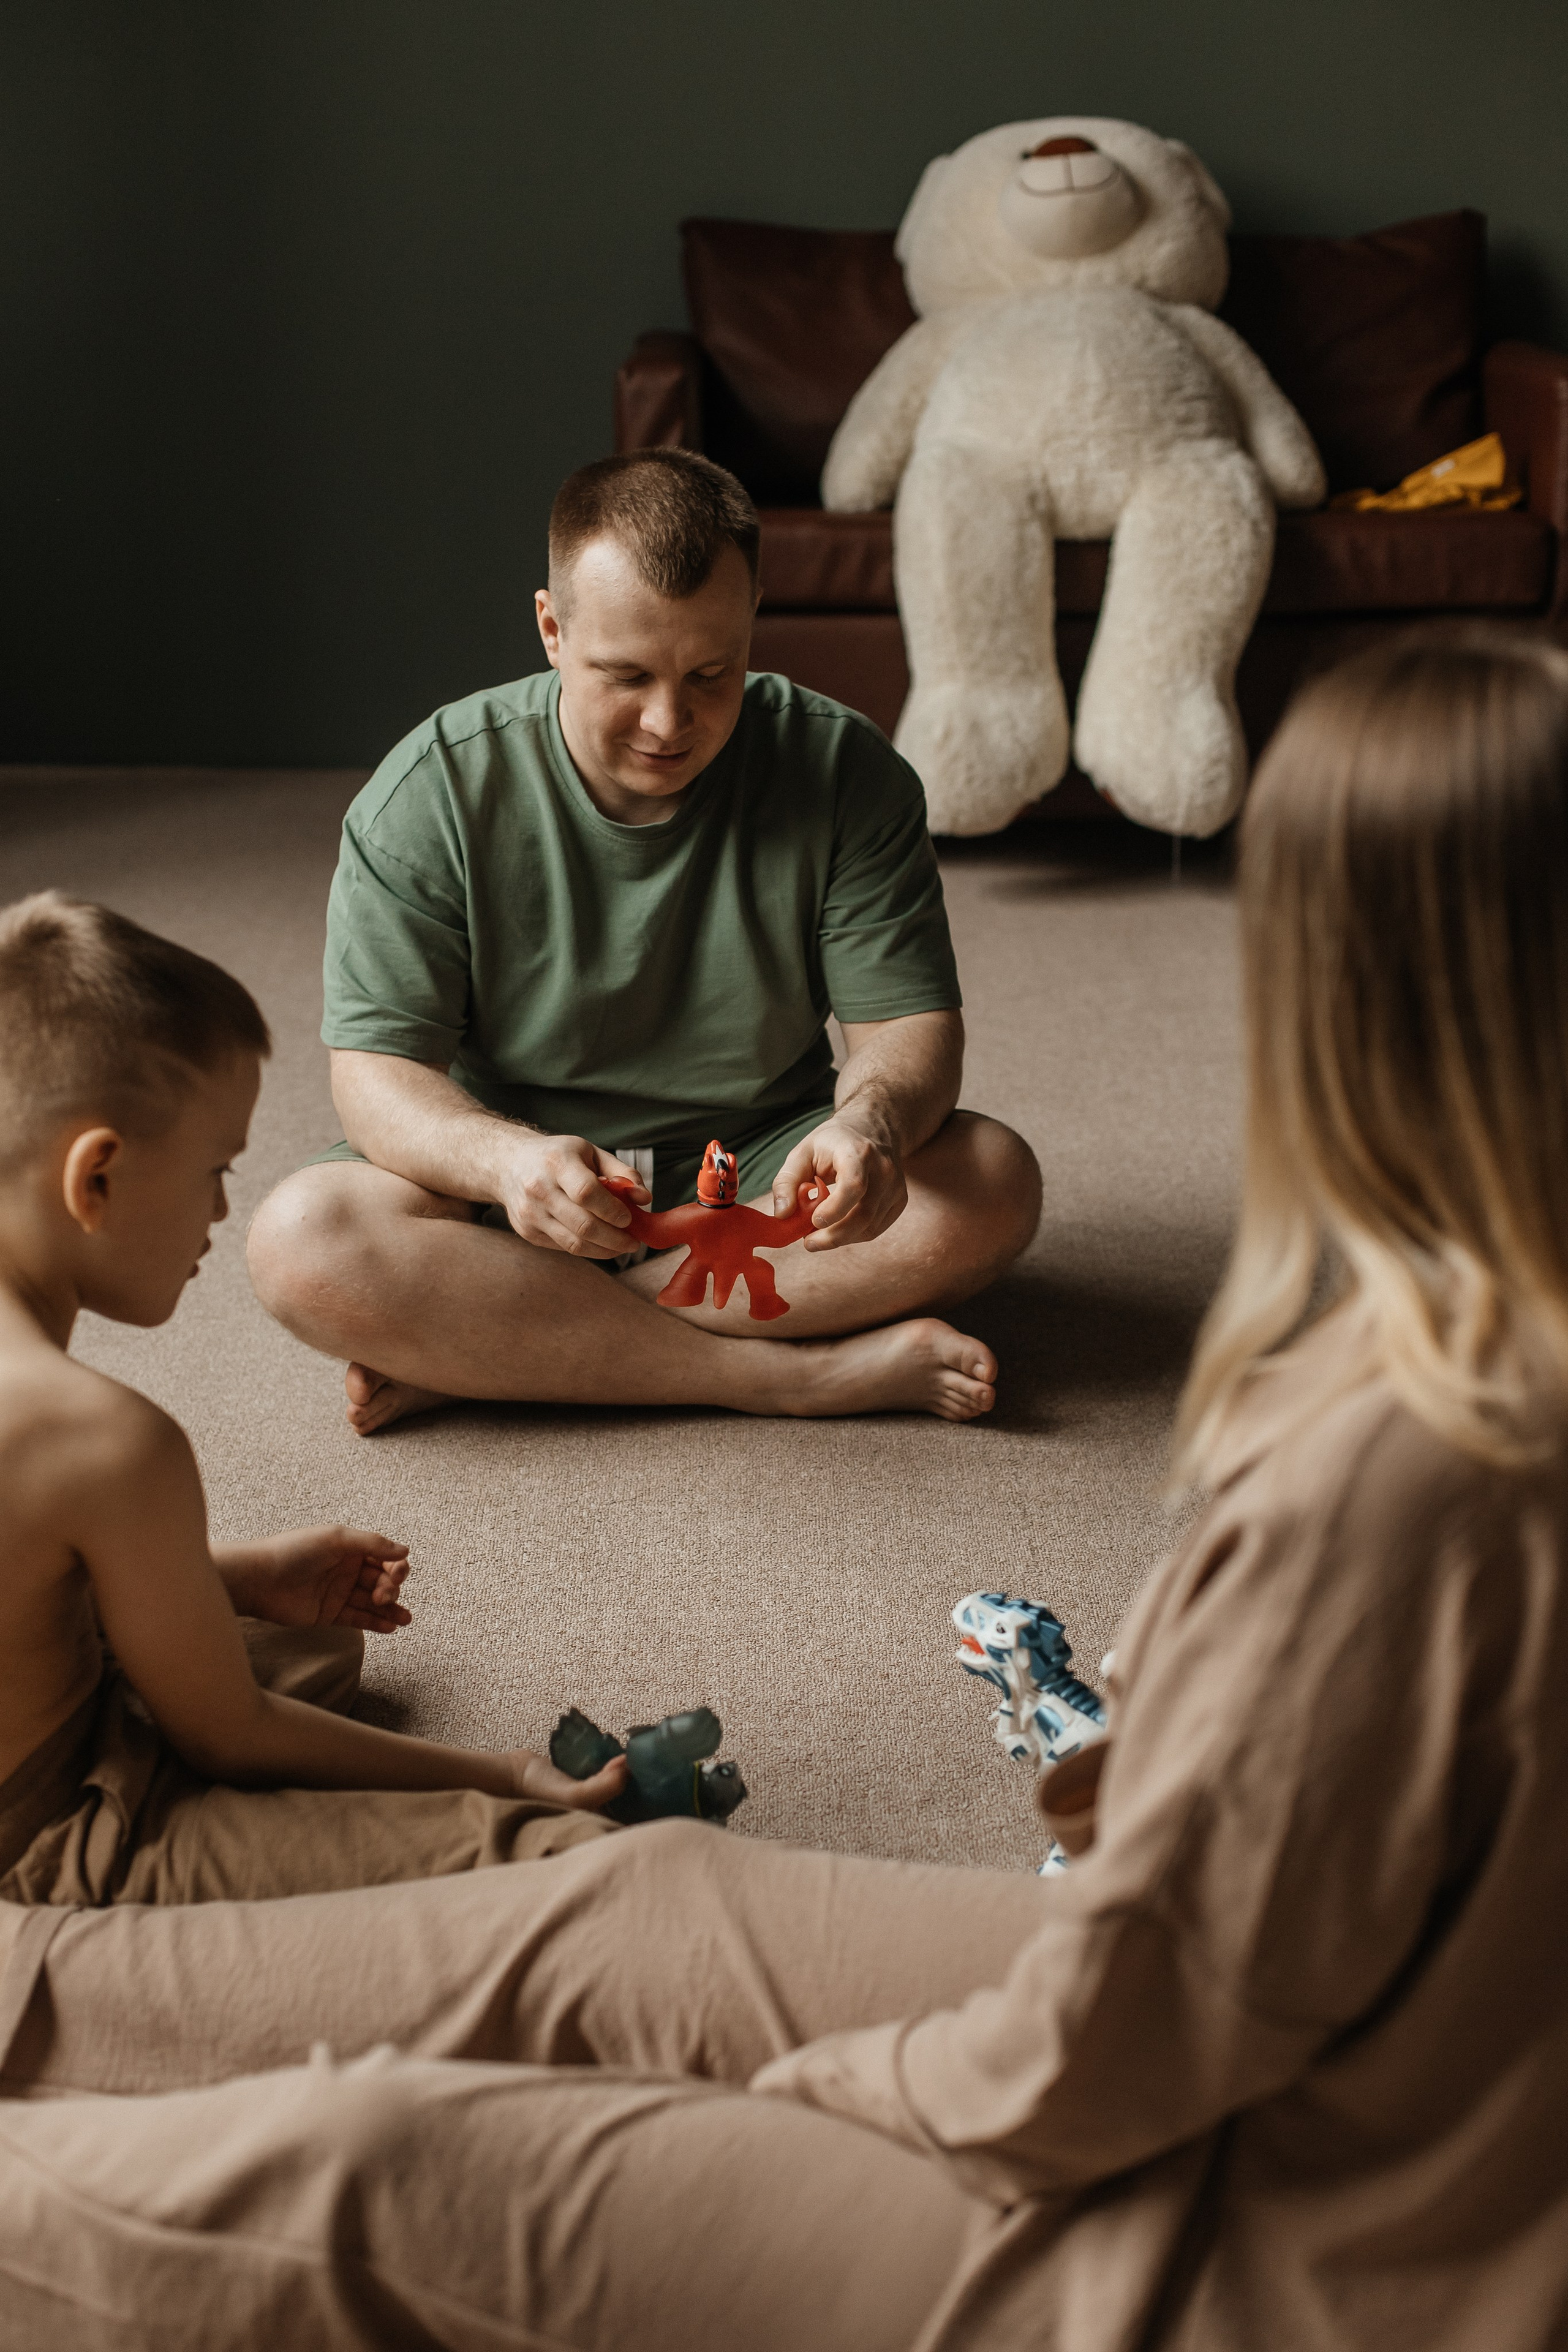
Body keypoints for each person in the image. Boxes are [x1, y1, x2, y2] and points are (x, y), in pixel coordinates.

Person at [6, 625, 1566, 2352]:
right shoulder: (1436, 1433)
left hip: (1269, 2243)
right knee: (645, 1908)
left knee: (380, 2171)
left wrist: (812, 2094)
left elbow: (1126, 2045)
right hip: (1295, 2084)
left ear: (1351, 1003)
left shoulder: (1403, 1469)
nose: (670, 718)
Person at [245, 448, 1041, 1435]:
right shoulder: (429, 794)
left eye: (714, 673)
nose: (671, 722)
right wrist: (506, 1166)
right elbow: (376, 1077)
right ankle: (782, 1379)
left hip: (755, 1170)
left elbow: (910, 1030)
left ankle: (504, 1348)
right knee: (301, 1242)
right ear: (550, 628)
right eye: (626, 676)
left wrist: (868, 1126)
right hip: (515, 1191)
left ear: (753, 623)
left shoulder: (845, 771)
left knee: (992, 1186)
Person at [0, 891, 625, 1912]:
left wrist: (237, 1579)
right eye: (215, 1172)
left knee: (315, 1638)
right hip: (48, 1840)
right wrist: (507, 1778)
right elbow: (232, 1737)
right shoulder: (105, 1440)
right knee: (531, 1857)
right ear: (97, 1177)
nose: (217, 1212)